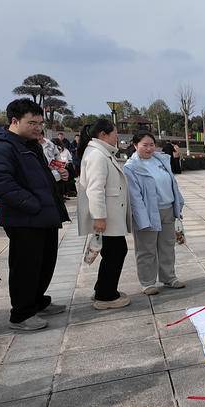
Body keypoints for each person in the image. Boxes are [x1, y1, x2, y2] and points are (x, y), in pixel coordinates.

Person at [0, 99, 70, 331]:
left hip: (43, 216)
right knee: (26, 266)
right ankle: (21, 314)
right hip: (24, 218)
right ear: (14, 121)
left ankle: (36, 301)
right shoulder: (1, 147)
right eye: (32, 123)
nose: (38, 128)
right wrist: (32, 204)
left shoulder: (30, 144)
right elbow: (0, 182)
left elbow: (37, 176)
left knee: (44, 263)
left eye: (40, 123)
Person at [77, 119, 132, 310]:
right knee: (116, 252)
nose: (117, 137)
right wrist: (99, 217)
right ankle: (106, 296)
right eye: (115, 134)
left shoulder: (101, 152)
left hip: (111, 215)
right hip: (107, 217)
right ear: (103, 135)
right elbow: (95, 189)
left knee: (113, 252)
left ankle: (102, 288)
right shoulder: (97, 155)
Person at [123, 132, 186, 295]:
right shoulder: (131, 167)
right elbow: (134, 197)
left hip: (167, 209)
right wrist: (142, 219)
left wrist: (178, 205)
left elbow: (173, 184)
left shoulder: (161, 160)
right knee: (146, 249)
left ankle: (169, 277)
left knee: (167, 246)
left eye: (152, 145)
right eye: (145, 145)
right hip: (148, 212)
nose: (149, 148)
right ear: (135, 145)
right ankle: (147, 282)